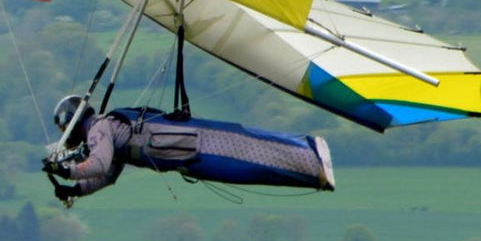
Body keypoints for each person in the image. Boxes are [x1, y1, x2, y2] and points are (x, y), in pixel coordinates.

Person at [43, 95, 335, 203]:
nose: (64, 136)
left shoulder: (99, 128)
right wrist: (76, 190)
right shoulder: (104, 132)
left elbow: (98, 164)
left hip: (190, 145)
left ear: (73, 121)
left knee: (244, 153)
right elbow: (107, 175)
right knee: (243, 169)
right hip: (182, 153)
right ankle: (311, 168)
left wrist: (67, 171)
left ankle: (310, 157)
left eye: (63, 129)